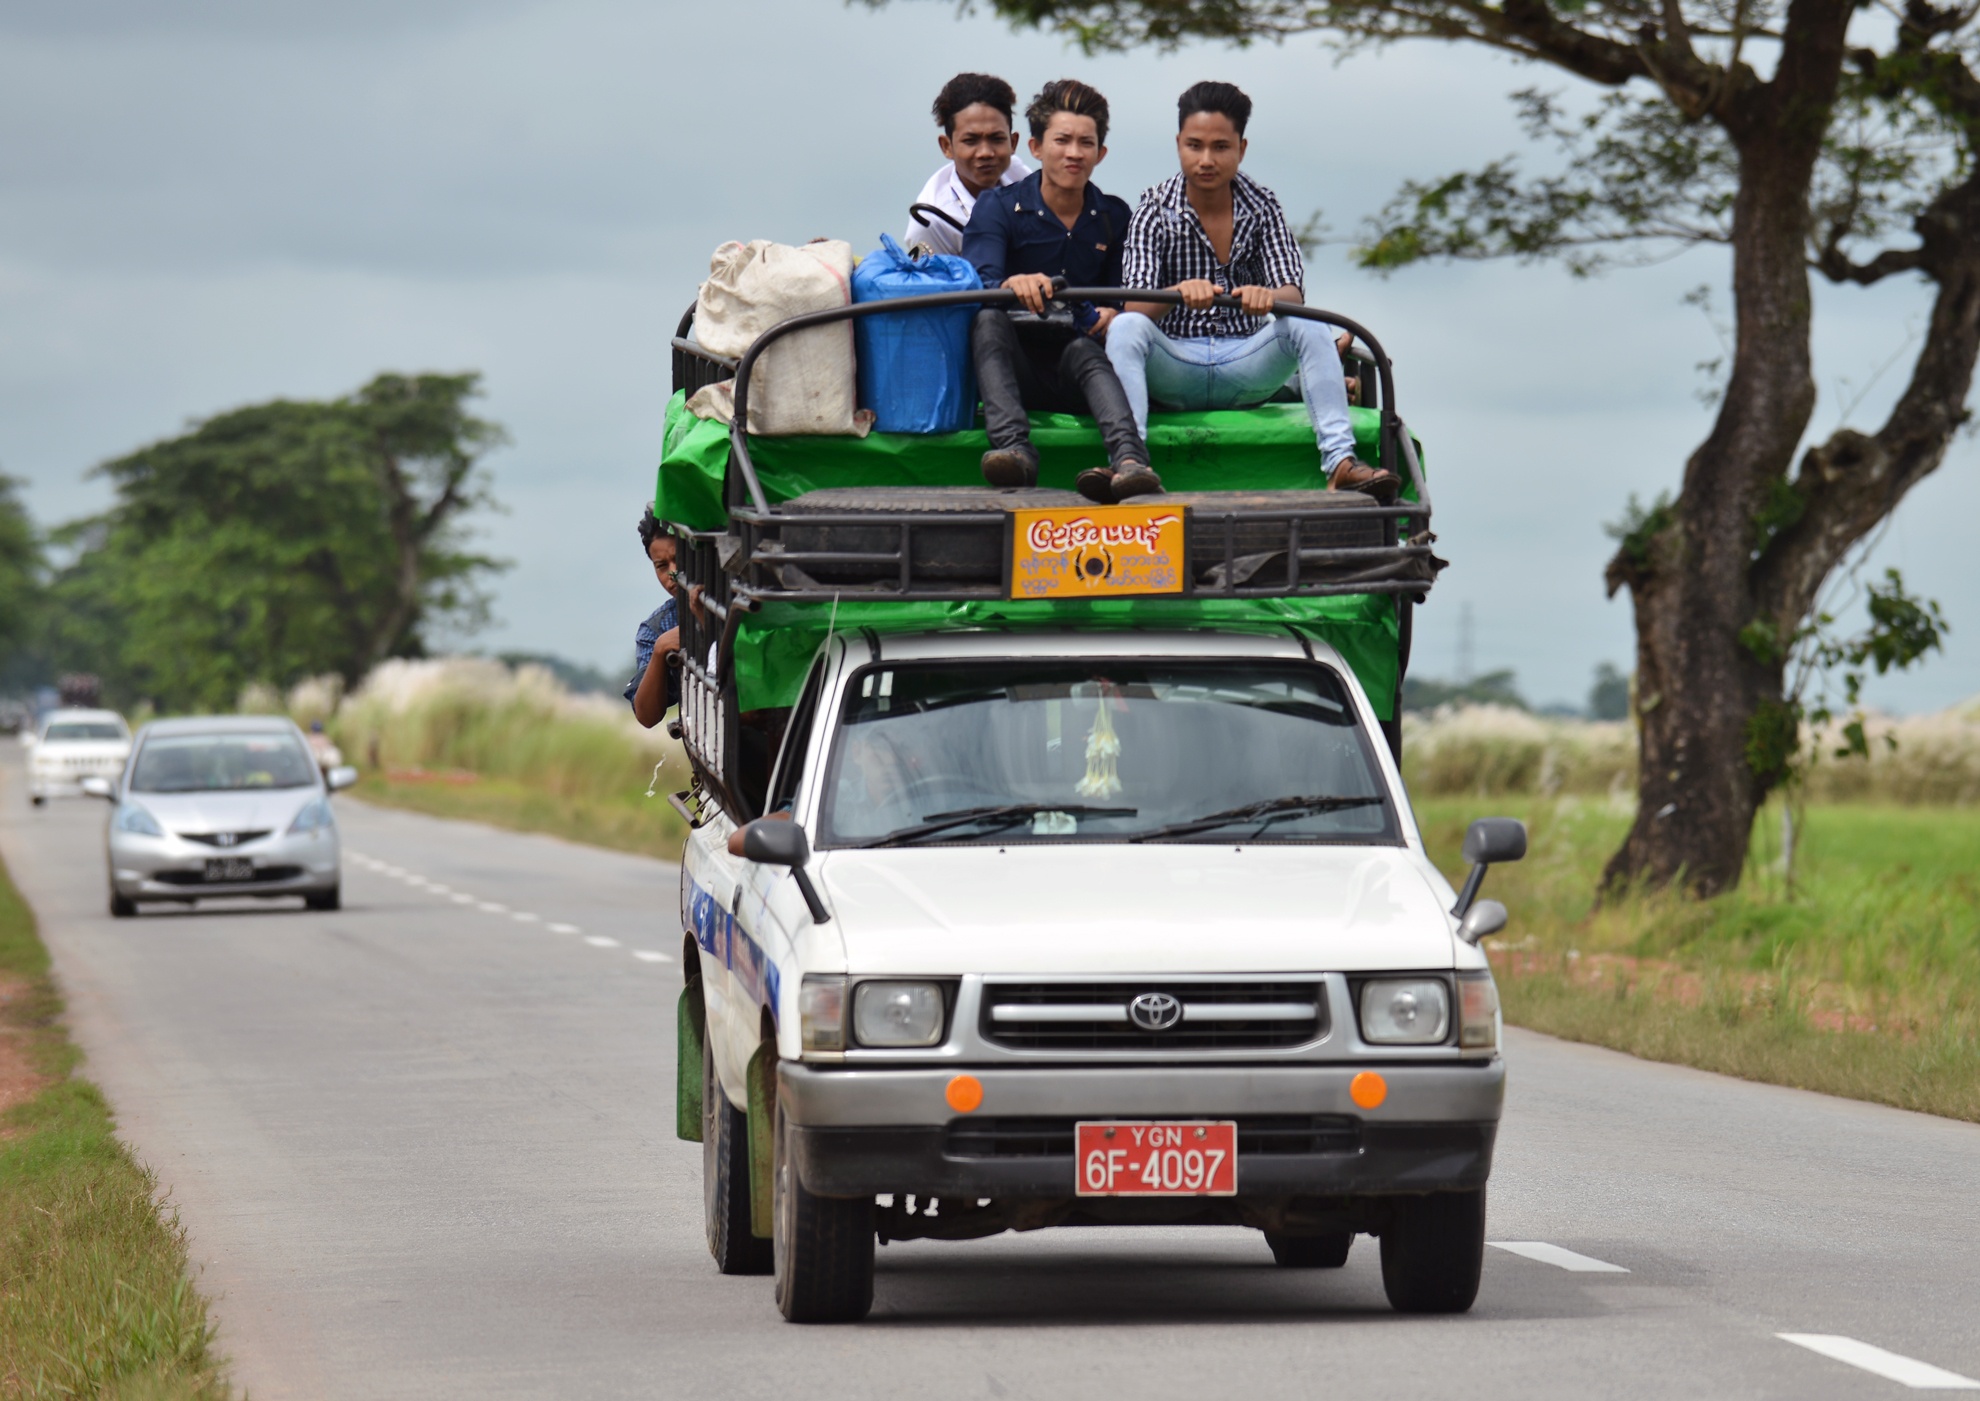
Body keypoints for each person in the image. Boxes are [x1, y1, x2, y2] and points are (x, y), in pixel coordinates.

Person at [1107, 82, 1400, 503]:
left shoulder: (1262, 205)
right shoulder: (1153, 208)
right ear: (1178, 145)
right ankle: (1131, 462)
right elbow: (1134, 305)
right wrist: (1176, 292)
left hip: (1244, 364)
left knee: (1308, 321)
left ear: (1241, 149)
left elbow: (1292, 291)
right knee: (1126, 327)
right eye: (1194, 145)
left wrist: (1268, 297)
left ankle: (1340, 462)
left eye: (1220, 147)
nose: (1206, 160)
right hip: (1176, 364)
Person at [962, 79, 1160, 501]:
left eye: (1085, 143)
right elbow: (978, 282)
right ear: (1034, 147)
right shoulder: (998, 206)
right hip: (1016, 365)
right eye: (1062, 140)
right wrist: (1010, 285)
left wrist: (1113, 313)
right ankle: (1013, 449)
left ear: (1100, 154)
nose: (1073, 153)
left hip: (1079, 361)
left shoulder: (1114, 216)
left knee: (1087, 350)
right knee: (986, 318)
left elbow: (1122, 295)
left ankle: (1130, 461)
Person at [902, 73, 1031, 259]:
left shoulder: (1020, 177)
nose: (986, 152)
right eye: (971, 141)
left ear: (1013, 143)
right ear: (947, 147)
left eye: (997, 139)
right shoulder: (931, 220)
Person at [626, 508, 682, 729]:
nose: (673, 574)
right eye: (662, 566)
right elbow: (647, 716)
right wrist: (661, 650)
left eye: (680, 559)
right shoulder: (656, 629)